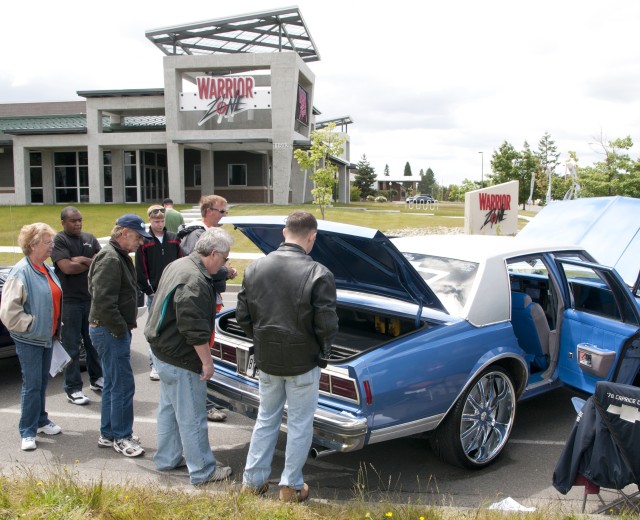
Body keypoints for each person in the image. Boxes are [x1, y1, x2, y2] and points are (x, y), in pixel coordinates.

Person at [237, 211, 338, 502]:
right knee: (299, 423)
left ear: (284, 233)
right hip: (303, 362)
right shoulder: (320, 272)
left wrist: (262, 340)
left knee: (266, 418)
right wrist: (324, 353)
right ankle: (291, 486)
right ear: (312, 237)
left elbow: (244, 317)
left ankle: (252, 481)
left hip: (267, 359)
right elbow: (326, 325)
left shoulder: (255, 268)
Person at [145, 227, 234, 485]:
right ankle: (203, 471)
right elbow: (193, 330)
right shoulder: (194, 280)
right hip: (180, 357)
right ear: (214, 254)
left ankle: (167, 458)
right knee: (193, 415)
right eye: (225, 258)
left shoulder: (179, 264)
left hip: (163, 350)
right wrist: (207, 362)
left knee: (170, 410)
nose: (226, 264)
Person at [88, 214, 150, 458]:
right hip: (109, 330)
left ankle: (109, 432)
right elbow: (103, 300)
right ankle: (121, 436)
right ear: (123, 232)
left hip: (108, 329)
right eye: (137, 237)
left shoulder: (117, 256)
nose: (140, 242)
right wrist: (120, 328)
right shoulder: (111, 258)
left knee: (114, 384)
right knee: (123, 385)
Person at [0, 223, 63, 451]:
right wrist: (33, 324)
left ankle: (41, 419)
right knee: (32, 384)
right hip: (30, 338)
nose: (51, 246)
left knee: (42, 382)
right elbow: (8, 312)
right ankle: (27, 430)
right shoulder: (21, 272)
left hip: (46, 336)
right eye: (48, 243)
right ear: (33, 244)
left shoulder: (46, 268)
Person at [179, 194, 237, 422]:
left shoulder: (206, 235)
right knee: (202, 348)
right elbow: (201, 266)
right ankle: (203, 403)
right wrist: (226, 271)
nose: (224, 216)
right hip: (201, 300)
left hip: (209, 296)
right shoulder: (197, 235)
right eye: (222, 211)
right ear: (209, 211)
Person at [52, 206, 103, 405]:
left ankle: (97, 379)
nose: (78, 223)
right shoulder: (59, 241)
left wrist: (82, 259)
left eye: (80, 220)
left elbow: (101, 263)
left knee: (93, 343)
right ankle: (73, 389)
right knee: (71, 346)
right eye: (73, 221)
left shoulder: (90, 238)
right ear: (63, 222)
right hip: (70, 302)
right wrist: (89, 263)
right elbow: (67, 268)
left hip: (90, 299)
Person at [135, 205, 182, 381]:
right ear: (150, 221)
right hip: (155, 292)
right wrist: (149, 290)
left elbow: (180, 262)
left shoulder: (173, 239)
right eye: (156, 221)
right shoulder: (145, 241)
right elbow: (141, 268)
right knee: (155, 328)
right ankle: (154, 364)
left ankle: (172, 361)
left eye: (162, 220)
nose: (159, 224)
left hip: (173, 289)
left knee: (173, 326)